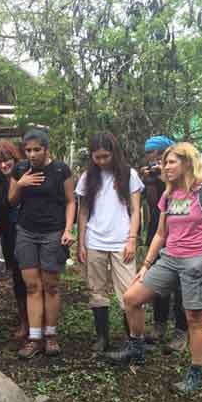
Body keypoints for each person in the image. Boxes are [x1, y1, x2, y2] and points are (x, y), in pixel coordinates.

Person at [107, 142, 202, 394]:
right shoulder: (169, 195)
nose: (165, 167)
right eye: (164, 162)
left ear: (187, 163)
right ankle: (136, 349)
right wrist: (145, 265)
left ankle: (196, 373)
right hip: (168, 259)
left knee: (195, 319)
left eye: (171, 162)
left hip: (197, 261)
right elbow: (159, 234)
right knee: (131, 298)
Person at [8, 129, 76, 358]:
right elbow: (11, 200)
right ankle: (34, 337)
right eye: (28, 150)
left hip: (53, 233)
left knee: (51, 285)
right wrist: (21, 183)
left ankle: (51, 335)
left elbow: (70, 201)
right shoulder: (20, 169)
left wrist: (68, 229)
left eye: (37, 149)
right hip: (26, 231)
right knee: (32, 286)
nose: (32, 154)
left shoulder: (60, 170)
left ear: (46, 149)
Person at [76, 131, 143, 353]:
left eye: (106, 156)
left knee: (128, 293)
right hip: (95, 239)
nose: (102, 161)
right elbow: (83, 212)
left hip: (121, 240)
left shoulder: (129, 175)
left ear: (114, 153)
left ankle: (132, 339)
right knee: (96, 291)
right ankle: (102, 338)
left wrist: (132, 239)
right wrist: (81, 243)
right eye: (98, 157)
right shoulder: (87, 178)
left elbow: (135, 210)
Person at [141, 135, 188, 352]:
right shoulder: (153, 174)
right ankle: (159, 325)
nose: (157, 162)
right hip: (158, 230)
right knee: (158, 281)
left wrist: (163, 177)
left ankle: (181, 330)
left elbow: (181, 192)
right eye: (151, 157)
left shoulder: (182, 175)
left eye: (160, 157)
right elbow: (149, 203)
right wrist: (148, 179)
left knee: (181, 284)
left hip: (181, 233)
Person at [0, 140, 29, 341]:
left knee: (32, 276)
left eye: (8, 161)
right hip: (9, 233)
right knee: (17, 277)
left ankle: (38, 320)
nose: (4, 165)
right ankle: (24, 319)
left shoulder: (25, 173)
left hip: (29, 231)